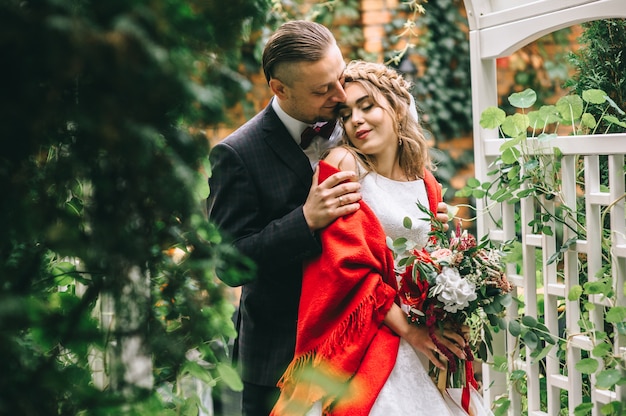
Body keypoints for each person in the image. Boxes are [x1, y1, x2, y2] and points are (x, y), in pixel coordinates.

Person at [207, 21, 449, 415]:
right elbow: (229, 263)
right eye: (323, 90)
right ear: (280, 89)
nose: (339, 96)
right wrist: (304, 220)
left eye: (339, 79)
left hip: (366, 344)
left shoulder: (352, 117)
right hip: (280, 356)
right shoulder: (237, 154)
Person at [271, 61, 493, 416]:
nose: (355, 119)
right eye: (345, 113)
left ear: (396, 107)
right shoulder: (344, 165)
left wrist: (451, 306)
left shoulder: (426, 182)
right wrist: (412, 333)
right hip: (376, 334)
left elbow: (434, 263)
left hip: (423, 334)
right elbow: (348, 268)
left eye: (367, 105)